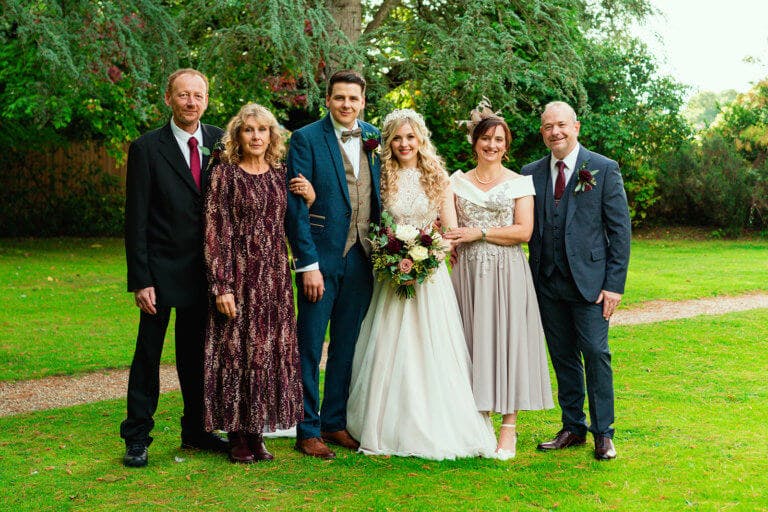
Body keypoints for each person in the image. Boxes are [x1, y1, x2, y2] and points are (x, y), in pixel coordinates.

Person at [345, 109, 497, 460]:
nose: (404, 144)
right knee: (387, 343)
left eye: (410, 137)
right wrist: (391, 256)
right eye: (397, 138)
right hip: (390, 275)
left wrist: (429, 256)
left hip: (430, 278)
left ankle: (436, 421)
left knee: (432, 345)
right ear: (388, 142)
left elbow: (451, 231)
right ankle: (381, 421)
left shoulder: (437, 177)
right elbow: (371, 222)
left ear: (420, 139)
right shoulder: (380, 176)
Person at [121, 69, 227, 467]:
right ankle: (137, 437)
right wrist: (141, 279)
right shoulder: (147, 148)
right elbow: (136, 219)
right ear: (169, 98)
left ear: (206, 99)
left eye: (198, 95)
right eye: (183, 95)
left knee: (196, 355)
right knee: (148, 356)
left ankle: (196, 430)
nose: (191, 102)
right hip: (160, 271)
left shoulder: (222, 141)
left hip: (205, 271)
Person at [521, 101, 631, 461]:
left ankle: (604, 433)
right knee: (563, 356)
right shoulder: (530, 173)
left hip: (591, 285)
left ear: (576, 127)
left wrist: (614, 285)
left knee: (596, 353)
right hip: (546, 283)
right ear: (542, 132)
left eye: (562, 125)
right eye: (548, 126)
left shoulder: (603, 168)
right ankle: (572, 427)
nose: (555, 132)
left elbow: (620, 231)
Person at [446, 107, 554, 460]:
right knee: (471, 341)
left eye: (498, 140)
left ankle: (509, 426)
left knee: (508, 341)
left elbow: (524, 231)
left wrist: (479, 232)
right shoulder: (455, 182)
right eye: (485, 138)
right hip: (467, 272)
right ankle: (478, 421)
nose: (491, 145)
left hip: (507, 271)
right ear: (474, 142)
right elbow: (449, 229)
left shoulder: (519, 183)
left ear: (506, 146)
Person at [285, 70, 382, 459]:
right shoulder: (306, 138)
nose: (346, 104)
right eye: (339, 97)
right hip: (320, 259)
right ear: (327, 99)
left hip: (363, 258)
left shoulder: (374, 136)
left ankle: (334, 422)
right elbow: (296, 208)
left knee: (346, 345)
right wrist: (307, 264)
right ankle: (307, 428)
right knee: (309, 346)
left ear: (363, 102)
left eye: (353, 98)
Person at [203, 104, 303, 463]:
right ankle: (236, 434)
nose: (256, 136)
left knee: (266, 351)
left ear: (271, 135)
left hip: (274, 279)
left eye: (262, 130)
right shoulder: (225, 174)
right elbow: (216, 231)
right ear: (238, 135)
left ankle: (257, 431)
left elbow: (295, 220)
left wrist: (309, 195)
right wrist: (222, 285)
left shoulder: (280, 173)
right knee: (236, 351)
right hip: (238, 275)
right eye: (249, 130)